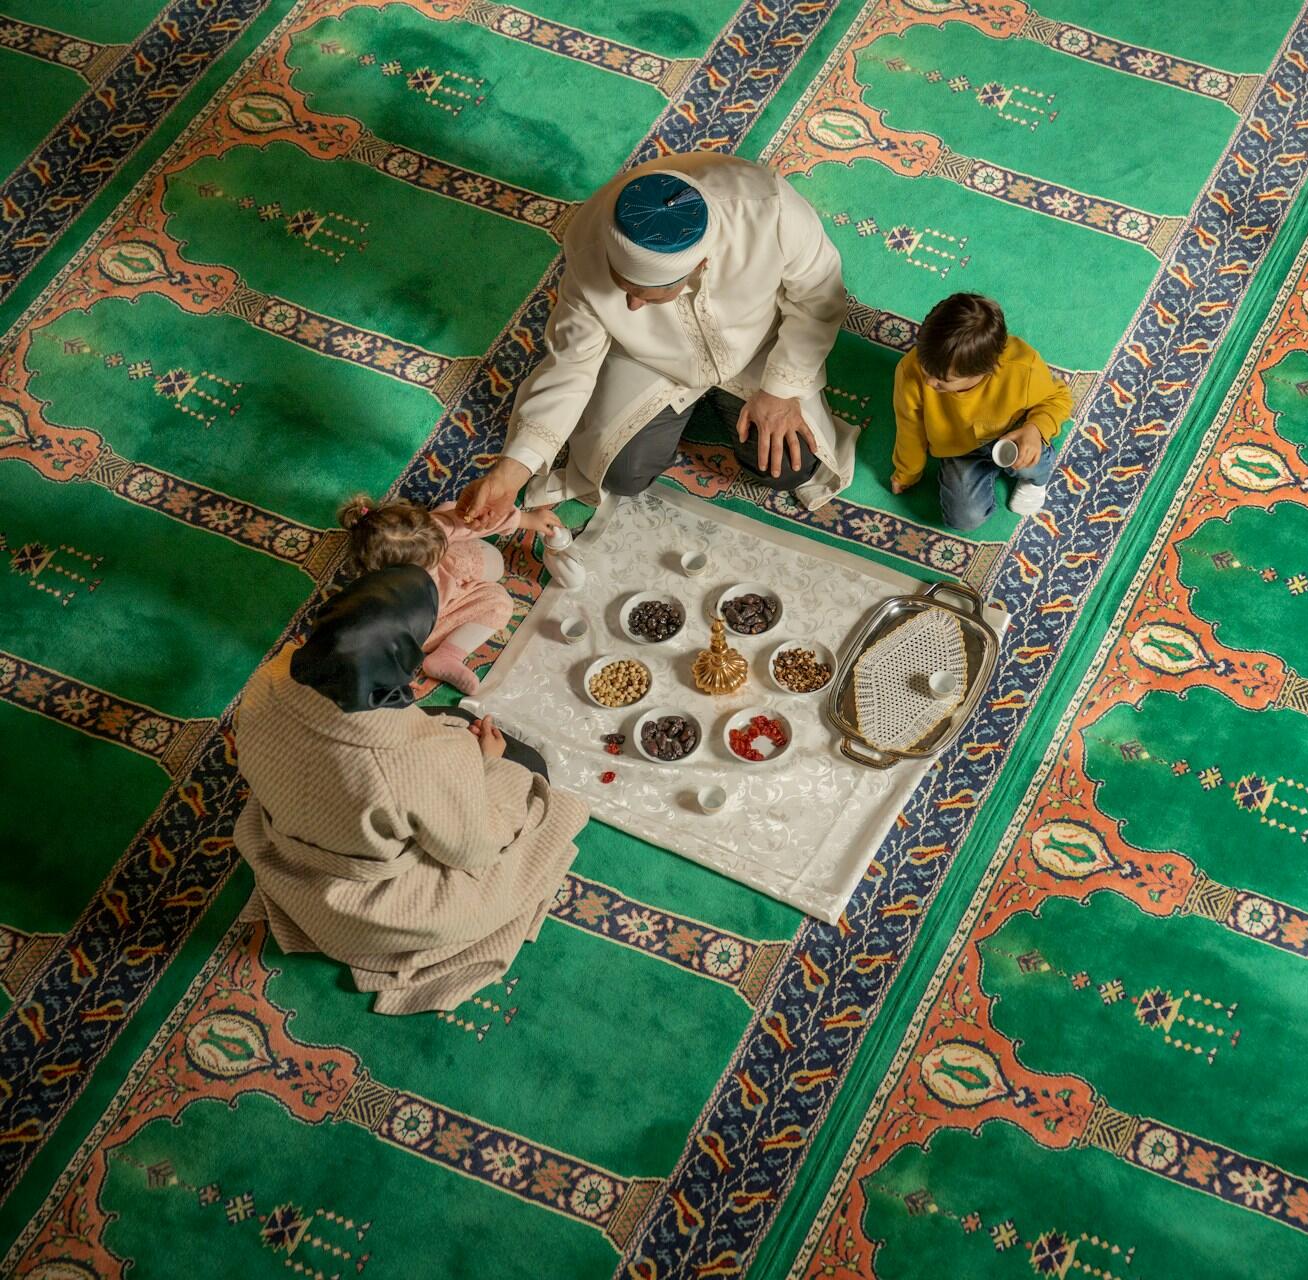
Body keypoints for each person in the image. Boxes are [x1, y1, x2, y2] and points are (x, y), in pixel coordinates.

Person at [231, 565, 588, 1015]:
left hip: (286, 850)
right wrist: (483, 765)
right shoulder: (412, 755)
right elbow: (471, 849)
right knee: (529, 772)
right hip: (369, 903)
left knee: (451, 721)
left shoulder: (269, 676)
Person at [456, 154, 852, 529]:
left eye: (646, 296)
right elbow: (570, 365)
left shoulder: (771, 208)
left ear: (701, 266)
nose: (630, 304)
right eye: (623, 287)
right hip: (650, 361)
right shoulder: (589, 242)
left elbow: (820, 297)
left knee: (788, 468)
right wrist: (510, 472)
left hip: (757, 346)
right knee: (620, 475)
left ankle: (735, 400)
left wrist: (780, 392)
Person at [336, 493, 562, 694]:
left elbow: (470, 523)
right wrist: (392, 679)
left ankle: (453, 562)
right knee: (499, 602)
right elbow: (368, 645)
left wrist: (526, 520)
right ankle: (447, 656)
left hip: (447, 576)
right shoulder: (379, 602)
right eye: (431, 560)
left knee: (491, 558)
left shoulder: (430, 529)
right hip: (430, 618)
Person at [890, 293, 1072, 531]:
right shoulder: (909, 373)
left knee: (1033, 463)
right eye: (925, 369)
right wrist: (907, 472)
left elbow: (1058, 397)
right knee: (965, 519)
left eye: (942, 380)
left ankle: (1035, 482)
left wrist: (1035, 429)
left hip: (1013, 431)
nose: (929, 382)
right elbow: (909, 429)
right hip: (959, 448)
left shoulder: (1021, 367)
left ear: (984, 371)